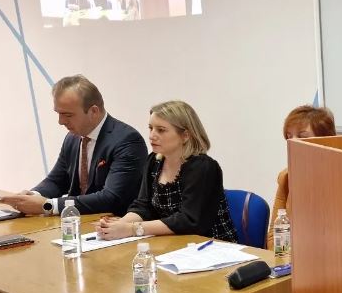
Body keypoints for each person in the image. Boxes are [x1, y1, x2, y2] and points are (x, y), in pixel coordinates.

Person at [0, 75, 146, 216]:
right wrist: (32, 196)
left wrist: (48, 205)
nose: (60, 122)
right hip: (78, 222)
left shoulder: (127, 141)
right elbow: (57, 181)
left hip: (114, 224)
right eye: (58, 113)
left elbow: (111, 198)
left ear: (93, 111)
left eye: (68, 115)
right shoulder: (73, 137)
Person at [96, 100, 237, 242]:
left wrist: (132, 229)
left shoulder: (203, 167)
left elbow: (189, 220)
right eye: (151, 128)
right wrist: (118, 225)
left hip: (210, 244)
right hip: (172, 242)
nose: (152, 135)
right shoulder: (154, 161)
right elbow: (143, 206)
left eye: (161, 130)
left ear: (185, 135)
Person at [266, 105, 336, 247]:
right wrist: (285, 255)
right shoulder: (287, 177)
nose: (292, 141)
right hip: (292, 256)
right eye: (289, 136)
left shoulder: (341, 179)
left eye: (302, 136)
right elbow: (274, 235)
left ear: (325, 139)